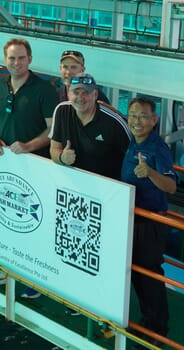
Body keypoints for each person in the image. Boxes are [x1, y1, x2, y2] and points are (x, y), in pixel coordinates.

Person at [49, 73, 132, 313]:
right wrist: (62, 159)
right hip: (75, 196)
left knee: (105, 253)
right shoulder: (62, 111)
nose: (81, 97)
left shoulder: (113, 121)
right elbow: (54, 149)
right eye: (76, 92)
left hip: (108, 200)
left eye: (87, 92)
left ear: (96, 95)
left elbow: (131, 157)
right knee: (76, 245)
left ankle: (104, 302)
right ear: (69, 93)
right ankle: (77, 296)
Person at [0, 37, 58, 293]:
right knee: (8, 216)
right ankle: (8, 267)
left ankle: (34, 278)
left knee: (34, 222)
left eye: (21, 58)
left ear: (30, 59)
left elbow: (52, 129)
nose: (16, 63)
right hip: (6, 164)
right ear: (5, 60)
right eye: (12, 58)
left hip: (36, 165)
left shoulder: (45, 89)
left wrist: (28, 146)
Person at [120, 97, 176, 347]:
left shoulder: (158, 149)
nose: (137, 121)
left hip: (150, 222)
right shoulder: (133, 141)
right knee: (137, 274)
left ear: (154, 120)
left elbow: (172, 186)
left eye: (143, 116)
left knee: (149, 275)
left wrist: (150, 173)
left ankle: (157, 329)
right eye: (133, 115)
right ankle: (147, 320)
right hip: (133, 217)